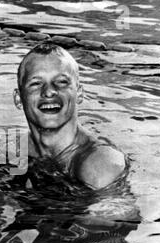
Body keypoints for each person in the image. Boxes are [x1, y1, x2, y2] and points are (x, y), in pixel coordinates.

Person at [13, 43, 127, 189]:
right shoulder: (13, 149)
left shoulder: (100, 166)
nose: (48, 92)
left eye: (61, 82)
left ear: (79, 93)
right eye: (36, 83)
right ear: (18, 99)